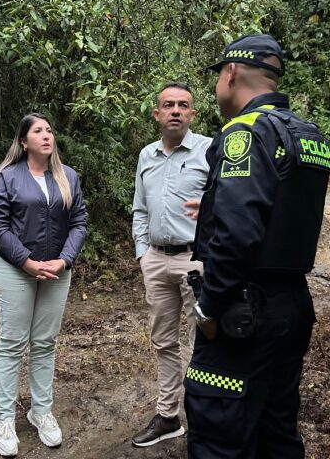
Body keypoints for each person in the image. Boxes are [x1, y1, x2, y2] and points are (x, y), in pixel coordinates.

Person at [186, 33, 330, 459]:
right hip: (292, 307)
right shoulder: (307, 133)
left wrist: (209, 308)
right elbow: (280, 208)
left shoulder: (245, 133)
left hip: (243, 315)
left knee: (221, 435)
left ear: (231, 73)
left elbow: (237, 237)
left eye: (218, 78)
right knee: (276, 431)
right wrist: (219, 203)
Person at [0, 113, 87, 457]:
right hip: (16, 270)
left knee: (45, 342)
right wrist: (26, 261)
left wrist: (64, 259)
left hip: (57, 271)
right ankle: (3, 420)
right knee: (12, 343)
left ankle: (40, 411)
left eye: (49, 129)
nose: (46, 135)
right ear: (24, 141)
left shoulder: (67, 176)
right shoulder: (8, 176)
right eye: (37, 131)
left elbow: (79, 222)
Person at [130, 82, 212, 447]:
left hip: (196, 260)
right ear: (157, 113)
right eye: (169, 105)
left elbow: (226, 204)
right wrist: (142, 252)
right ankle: (168, 417)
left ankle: (204, 417)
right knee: (163, 341)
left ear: (193, 113)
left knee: (204, 341)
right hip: (157, 260)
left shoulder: (210, 150)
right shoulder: (146, 155)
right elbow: (139, 209)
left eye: (183, 105)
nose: (176, 110)